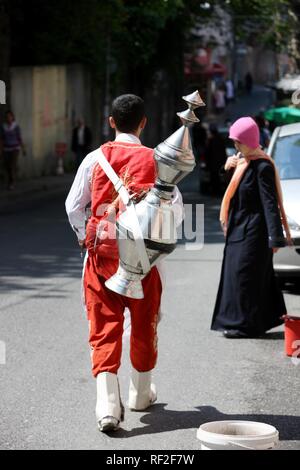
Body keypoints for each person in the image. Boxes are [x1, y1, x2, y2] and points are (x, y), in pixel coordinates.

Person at [66, 94, 183, 432]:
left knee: (103, 328)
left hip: (101, 259)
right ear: (144, 123)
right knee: (145, 325)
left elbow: (74, 206)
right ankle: (140, 395)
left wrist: (82, 236)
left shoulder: (94, 159)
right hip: (145, 261)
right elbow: (175, 212)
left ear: (111, 122)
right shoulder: (160, 161)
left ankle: (107, 406)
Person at [211, 117, 292, 339]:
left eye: (239, 141)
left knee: (246, 276)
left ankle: (244, 325)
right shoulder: (243, 163)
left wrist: (276, 238)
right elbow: (229, 191)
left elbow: (270, 203)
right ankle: (241, 322)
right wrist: (225, 169)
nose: (236, 146)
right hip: (239, 229)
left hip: (255, 233)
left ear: (249, 140)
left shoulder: (262, 166)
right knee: (237, 276)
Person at [0, 110, 26, 190]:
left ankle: (12, 183)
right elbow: (2, 139)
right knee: (7, 166)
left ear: (12, 117)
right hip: (6, 148)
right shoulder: (3, 127)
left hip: (15, 148)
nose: (9, 118)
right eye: (7, 117)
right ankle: (11, 179)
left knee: (12, 165)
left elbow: (19, 138)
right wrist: (1, 150)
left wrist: (23, 148)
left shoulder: (16, 126)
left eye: (10, 117)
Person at [205, 124, 227, 196]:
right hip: (218, 163)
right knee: (217, 178)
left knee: (214, 178)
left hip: (214, 163)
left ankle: (215, 191)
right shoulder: (219, 139)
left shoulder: (212, 140)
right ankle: (216, 191)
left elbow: (207, 153)